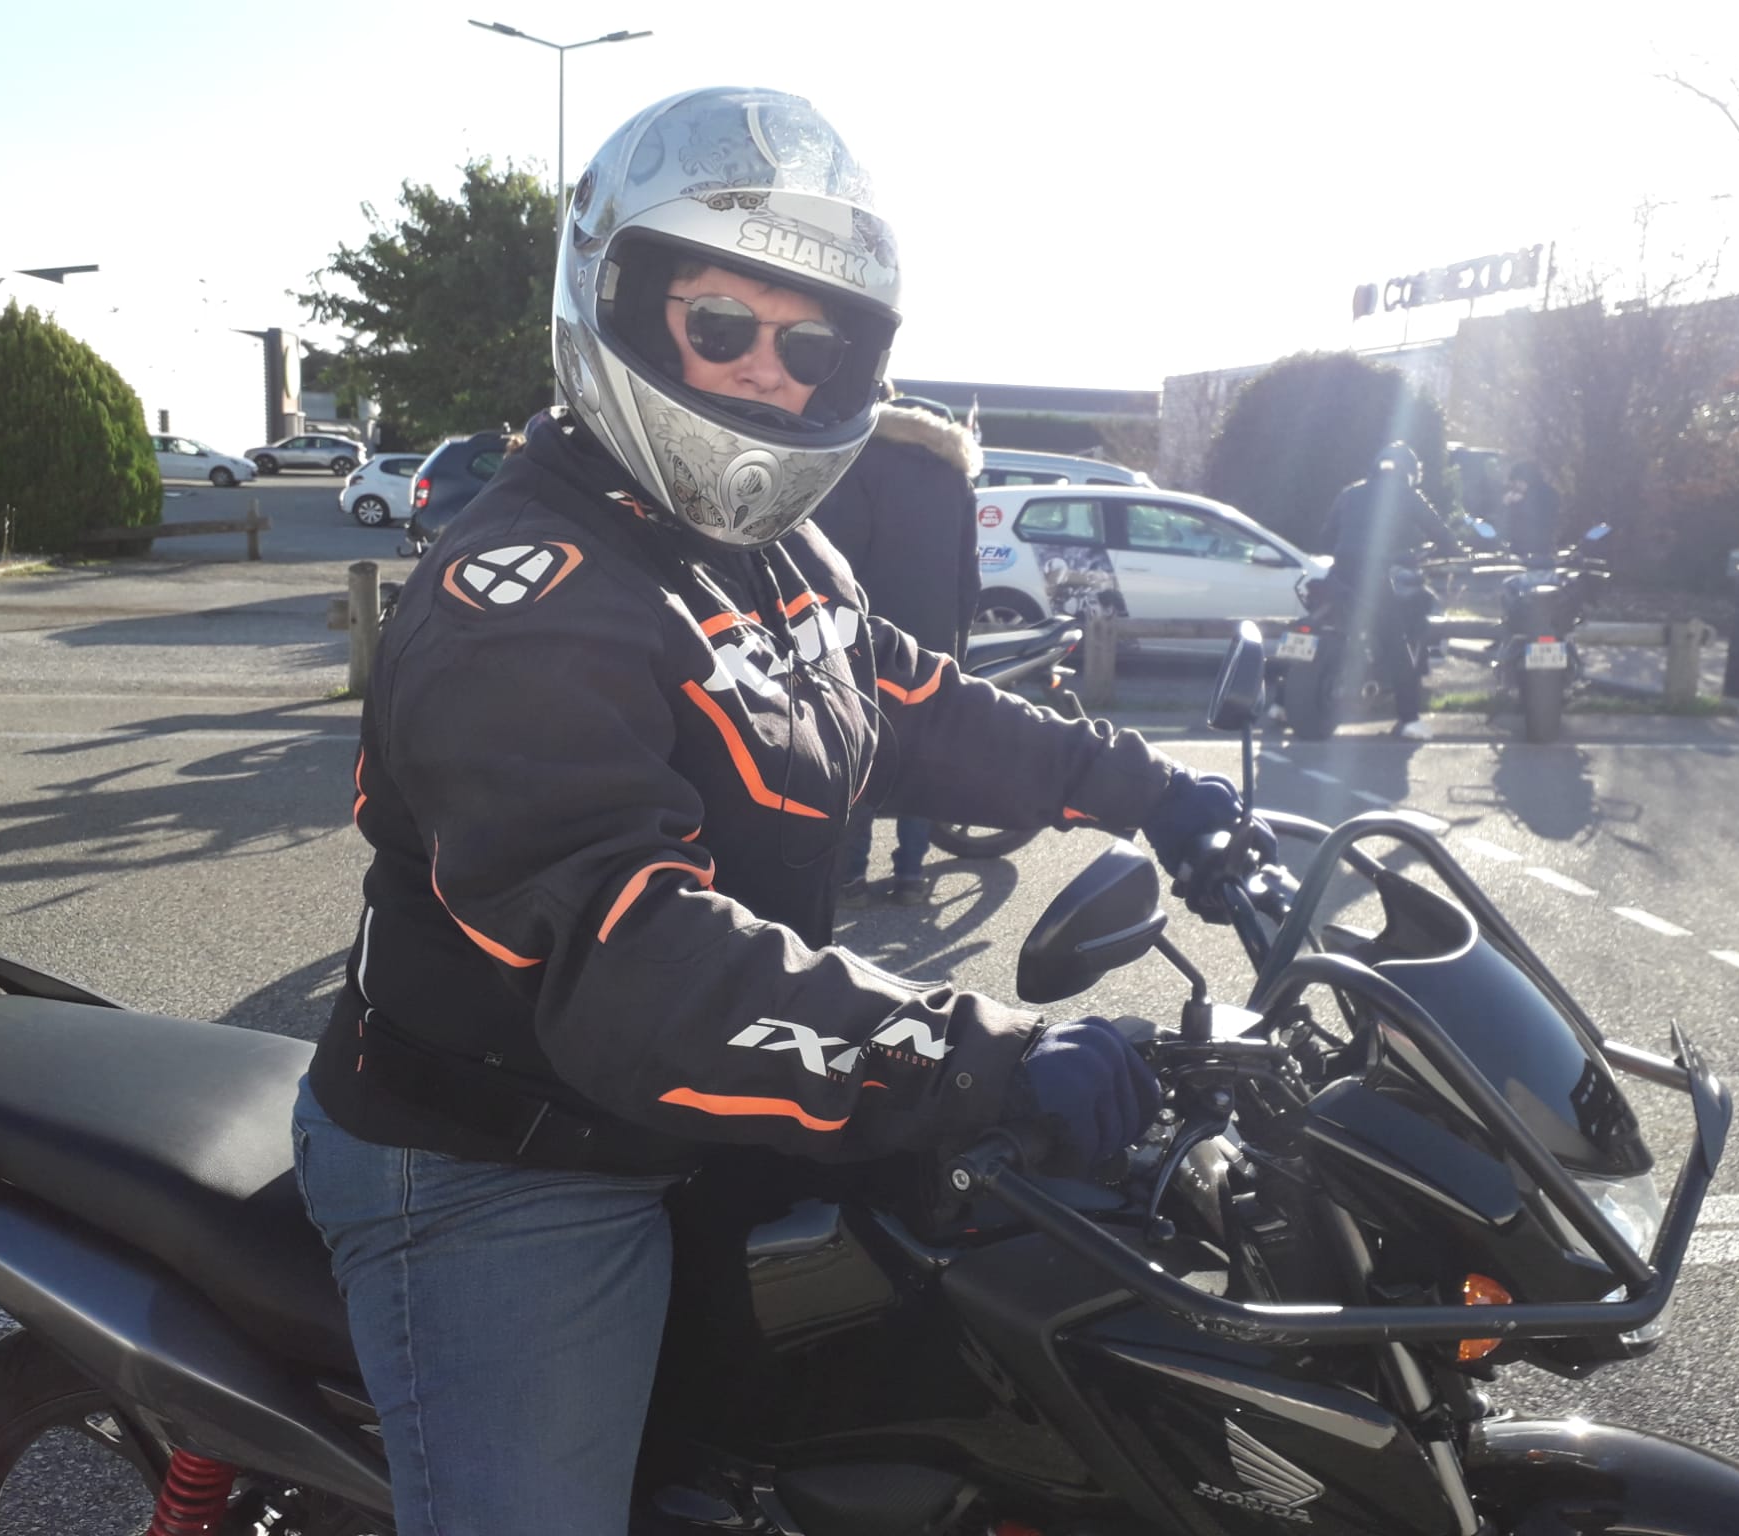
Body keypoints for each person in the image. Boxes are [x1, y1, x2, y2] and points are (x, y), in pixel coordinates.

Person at [288, 86, 1266, 1535]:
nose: (767, 372)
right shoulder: (524, 599)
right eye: (720, 323)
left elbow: (910, 705)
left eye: (813, 344)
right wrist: (985, 1053)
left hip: (700, 1105)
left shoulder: (768, 550)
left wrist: (1154, 794)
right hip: (507, 1159)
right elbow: (635, 957)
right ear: (621, 303)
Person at [811, 388, 981, 906]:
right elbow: (968, 577)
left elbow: (836, 560)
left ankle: (850, 877)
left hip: (868, 637)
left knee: (865, 750)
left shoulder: (858, 463)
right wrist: (958, 647)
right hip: (934, 643)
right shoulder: (955, 476)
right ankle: (909, 875)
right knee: (920, 756)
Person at [1323, 441, 1458, 740]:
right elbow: (1440, 532)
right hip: (1372, 575)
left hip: (1339, 573)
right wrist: (1454, 549)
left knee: (1322, 626)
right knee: (1397, 642)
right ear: (1410, 472)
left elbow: (1327, 535)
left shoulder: (1350, 492)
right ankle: (1409, 719)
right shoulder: (1406, 495)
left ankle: (1280, 704)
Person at [1502, 460, 1561, 562]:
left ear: (1523, 479)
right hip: (1545, 547)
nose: (1517, 486)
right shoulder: (1550, 492)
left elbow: (1520, 522)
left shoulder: (1528, 498)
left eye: (1517, 482)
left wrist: (1510, 504)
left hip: (1527, 549)